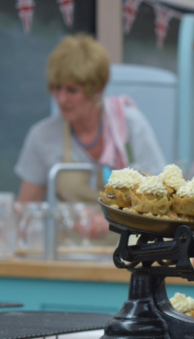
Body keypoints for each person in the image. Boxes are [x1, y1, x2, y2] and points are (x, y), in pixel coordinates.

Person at [14, 35, 165, 237]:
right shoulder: (42, 136)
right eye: (56, 88)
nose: (61, 99)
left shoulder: (129, 124)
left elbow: (161, 194)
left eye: (72, 90)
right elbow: (25, 212)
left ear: (98, 89)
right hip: (69, 255)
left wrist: (116, 216)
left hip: (131, 252)